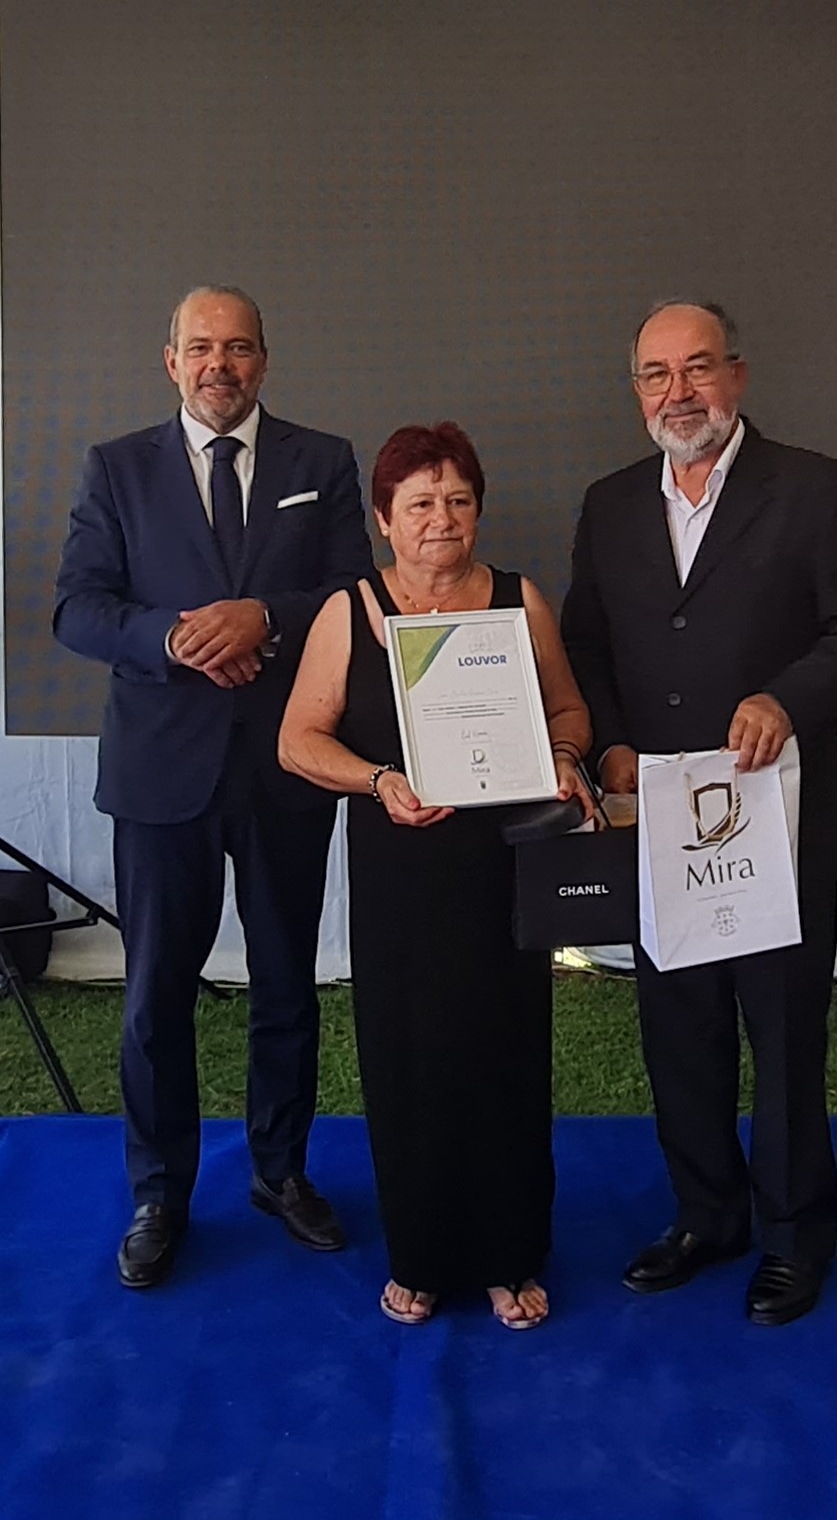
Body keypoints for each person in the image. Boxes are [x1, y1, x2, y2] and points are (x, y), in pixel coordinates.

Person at [562, 299, 837, 1327]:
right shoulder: (609, 504)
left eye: (698, 368)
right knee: (681, 1032)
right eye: (657, 374)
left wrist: (786, 701)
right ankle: (706, 1215)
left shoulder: (819, 490)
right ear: (636, 392)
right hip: (660, 821)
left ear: (737, 376)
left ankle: (795, 1238)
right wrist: (610, 745)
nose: (680, 392)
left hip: (781, 824)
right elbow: (586, 645)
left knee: (784, 1038)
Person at [53, 285, 372, 1289]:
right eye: (200, 348)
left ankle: (281, 1173)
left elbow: (353, 592)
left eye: (237, 348)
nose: (218, 365)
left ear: (263, 361)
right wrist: (177, 638)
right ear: (171, 361)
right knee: (156, 993)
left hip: (286, 764)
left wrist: (261, 619)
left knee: (285, 983)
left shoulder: (321, 461)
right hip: (160, 772)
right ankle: (160, 1193)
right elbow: (78, 608)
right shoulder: (116, 467)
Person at [278, 422, 594, 1330]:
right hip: (400, 871)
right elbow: (298, 740)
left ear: (479, 510)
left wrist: (563, 755)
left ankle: (508, 1254)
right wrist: (378, 780)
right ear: (384, 519)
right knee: (409, 1060)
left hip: (502, 867)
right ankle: (419, 1254)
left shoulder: (519, 599)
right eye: (419, 503)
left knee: (504, 1054)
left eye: (458, 500)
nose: (441, 519)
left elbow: (569, 709)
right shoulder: (348, 611)